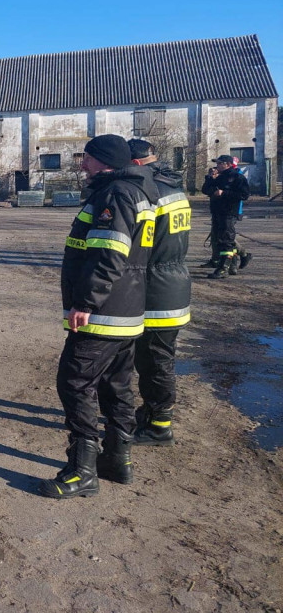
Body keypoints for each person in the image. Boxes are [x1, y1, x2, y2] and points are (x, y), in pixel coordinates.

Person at [40, 134, 159, 499]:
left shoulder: (115, 194)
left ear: (104, 160)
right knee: (116, 386)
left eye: (87, 158)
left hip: (104, 313)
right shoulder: (135, 190)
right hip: (126, 310)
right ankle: (117, 460)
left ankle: (82, 471)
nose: (82, 164)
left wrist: (86, 303)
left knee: (75, 382)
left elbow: (109, 255)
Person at [127, 139, 192, 447]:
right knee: (157, 357)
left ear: (136, 163)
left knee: (155, 362)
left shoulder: (150, 191)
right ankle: (152, 413)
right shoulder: (171, 183)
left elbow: (141, 244)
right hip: (173, 280)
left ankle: (159, 426)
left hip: (156, 290)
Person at [202, 155, 251, 279]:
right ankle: (232, 266)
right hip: (217, 212)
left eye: (220, 163)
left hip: (229, 212)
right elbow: (205, 190)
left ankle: (223, 268)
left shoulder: (237, 177)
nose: (217, 166)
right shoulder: (218, 177)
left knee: (226, 240)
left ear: (228, 164)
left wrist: (224, 193)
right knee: (220, 239)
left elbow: (244, 195)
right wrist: (209, 178)